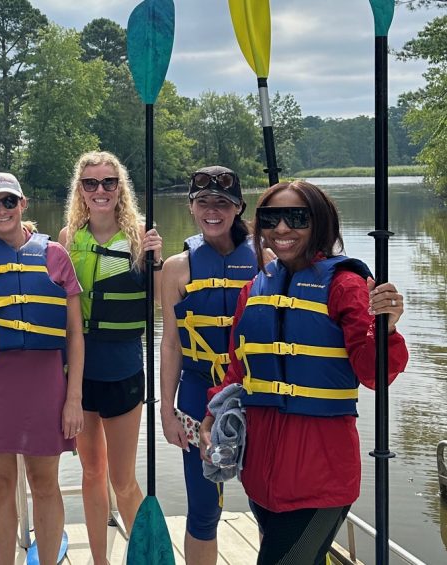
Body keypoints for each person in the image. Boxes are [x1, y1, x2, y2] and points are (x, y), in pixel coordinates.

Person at [198, 180, 409, 565]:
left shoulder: (346, 286)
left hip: (321, 481)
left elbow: (376, 374)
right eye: (271, 218)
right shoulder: (254, 289)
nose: (282, 229)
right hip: (260, 475)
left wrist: (387, 328)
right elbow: (237, 370)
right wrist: (212, 415)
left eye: (297, 217)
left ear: (320, 223)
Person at [0, 173, 84, 565]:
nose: (2, 211)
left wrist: (73, 398)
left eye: (8, 202)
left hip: (45, 384)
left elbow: (75, 334)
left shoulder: (55, 255)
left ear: (23, 203)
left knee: (45, 483)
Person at [58, 150, 163, 564]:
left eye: (108, 182)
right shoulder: (68, 237)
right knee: (91, 472)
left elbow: (159, 301)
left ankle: (139, 557)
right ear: (80, 191)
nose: (99, 191)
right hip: (81, 373)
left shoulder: (141, 237)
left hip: (123, 372)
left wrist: (156, 261)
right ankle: (100, 560)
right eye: (90, 183)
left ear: (120, 188)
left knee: (122, 480)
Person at [158, 166, 257, 564]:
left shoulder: (266, 257)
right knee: (203, 510)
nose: (212, 211)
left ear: (239, 209)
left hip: (257, 392)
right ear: (191, 208)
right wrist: (166, 409)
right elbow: (170, 343)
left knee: (270, 500)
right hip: (199, 393)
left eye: (222, 203)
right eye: (203, 203)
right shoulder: (176, 268)